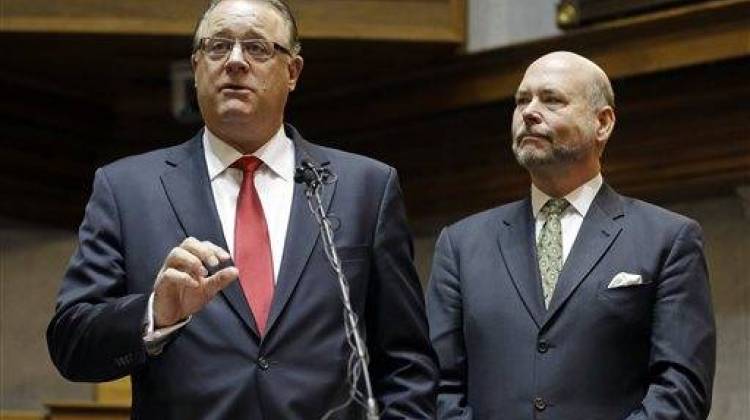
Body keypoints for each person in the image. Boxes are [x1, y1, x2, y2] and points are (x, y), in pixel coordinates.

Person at [46, 0, 437, 418]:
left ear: (293, 72)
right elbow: (72, 342)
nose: (235, 61)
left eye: (257, 47)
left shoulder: (366, 188)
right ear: (196, 67)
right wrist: (153, 315)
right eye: (217, 47)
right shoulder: (127, 189)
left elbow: (407, 365)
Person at [426, 51, 715, 419]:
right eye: (520, 101)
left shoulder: (669, 239)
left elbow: (681, 390)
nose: (529, 112)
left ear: (603, 123)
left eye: (551, 100)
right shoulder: (461, 245)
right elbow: (438, 386)